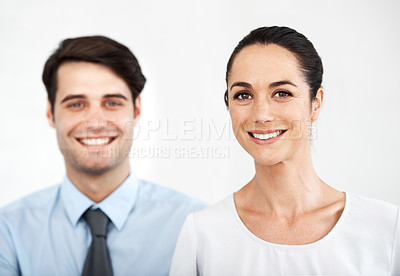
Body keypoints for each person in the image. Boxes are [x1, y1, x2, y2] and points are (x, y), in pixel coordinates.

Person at [170, 26, 400, 275]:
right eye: (243, 95)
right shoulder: (203, 234)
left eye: (282, 93)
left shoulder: (387, 228)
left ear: (316, 103)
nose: (261, 114)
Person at [0, 35, 207, 276]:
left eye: (112, 103)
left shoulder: (196, 227)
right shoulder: (8, 231)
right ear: (50, 113)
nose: (95, 122)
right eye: (76, 104)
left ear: (136, 109)